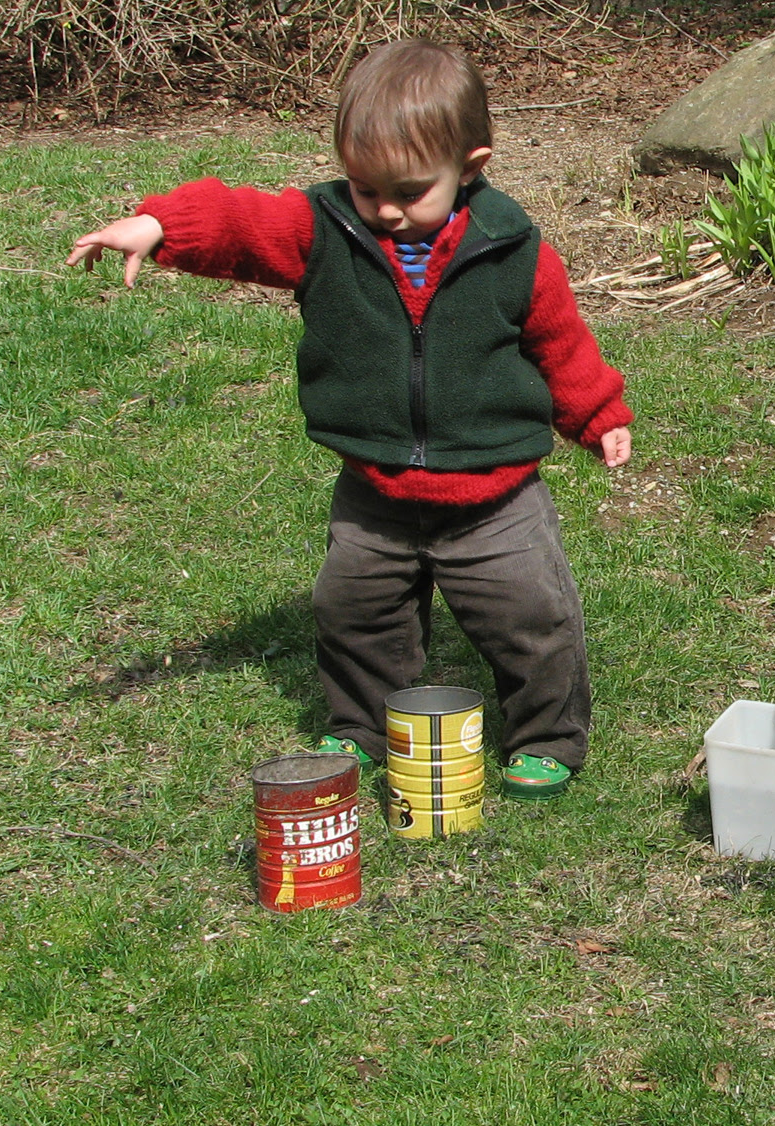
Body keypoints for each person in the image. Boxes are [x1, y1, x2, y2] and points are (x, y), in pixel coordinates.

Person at [68, 40, 632, 801]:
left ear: (470, 166)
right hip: (374, 487)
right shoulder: (325, 229)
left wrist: (597, 415)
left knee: (532, 616)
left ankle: (545, 737)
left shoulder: (515, 251)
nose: (387, 210)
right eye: (366, 190)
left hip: (495, 494)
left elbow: (560, 342)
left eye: (408, 191)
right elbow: (241, 221)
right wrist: (159, 226)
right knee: (356, 612)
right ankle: (364, 726)